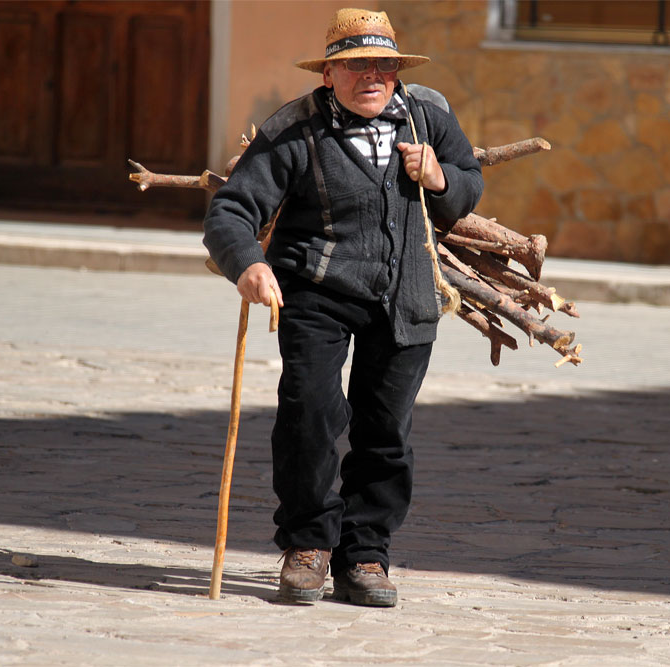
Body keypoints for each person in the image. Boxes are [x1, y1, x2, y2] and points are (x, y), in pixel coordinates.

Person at [202, 7, 483, 607]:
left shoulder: (427, 115)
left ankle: (366, 555)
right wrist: (248, 263)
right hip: (316, 294)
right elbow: (231, 210)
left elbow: (468, 182)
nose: (371, 75)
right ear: (329, 74)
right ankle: (307, 545)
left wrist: (440, 180)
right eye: (354, 65)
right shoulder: (294, 130)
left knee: (385, 432)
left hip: (406, 294)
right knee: (311, 414)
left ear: (396, 70)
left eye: (382, 63)